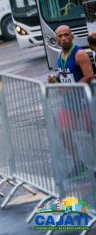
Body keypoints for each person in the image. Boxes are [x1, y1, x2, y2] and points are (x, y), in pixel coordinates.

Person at [48, 25, 94, 177]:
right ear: (56, 39)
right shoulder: (61, 56)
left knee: (93, 133)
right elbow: (65, 76)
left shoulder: (79, 54)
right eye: (60, 36)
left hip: (84, 100)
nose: (63, 38)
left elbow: (89, 76)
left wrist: (72, 88)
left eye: (66, 35)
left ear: (72, 36)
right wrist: (55, 80)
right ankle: (78, 164)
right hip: (68, 102)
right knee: (64, 133)